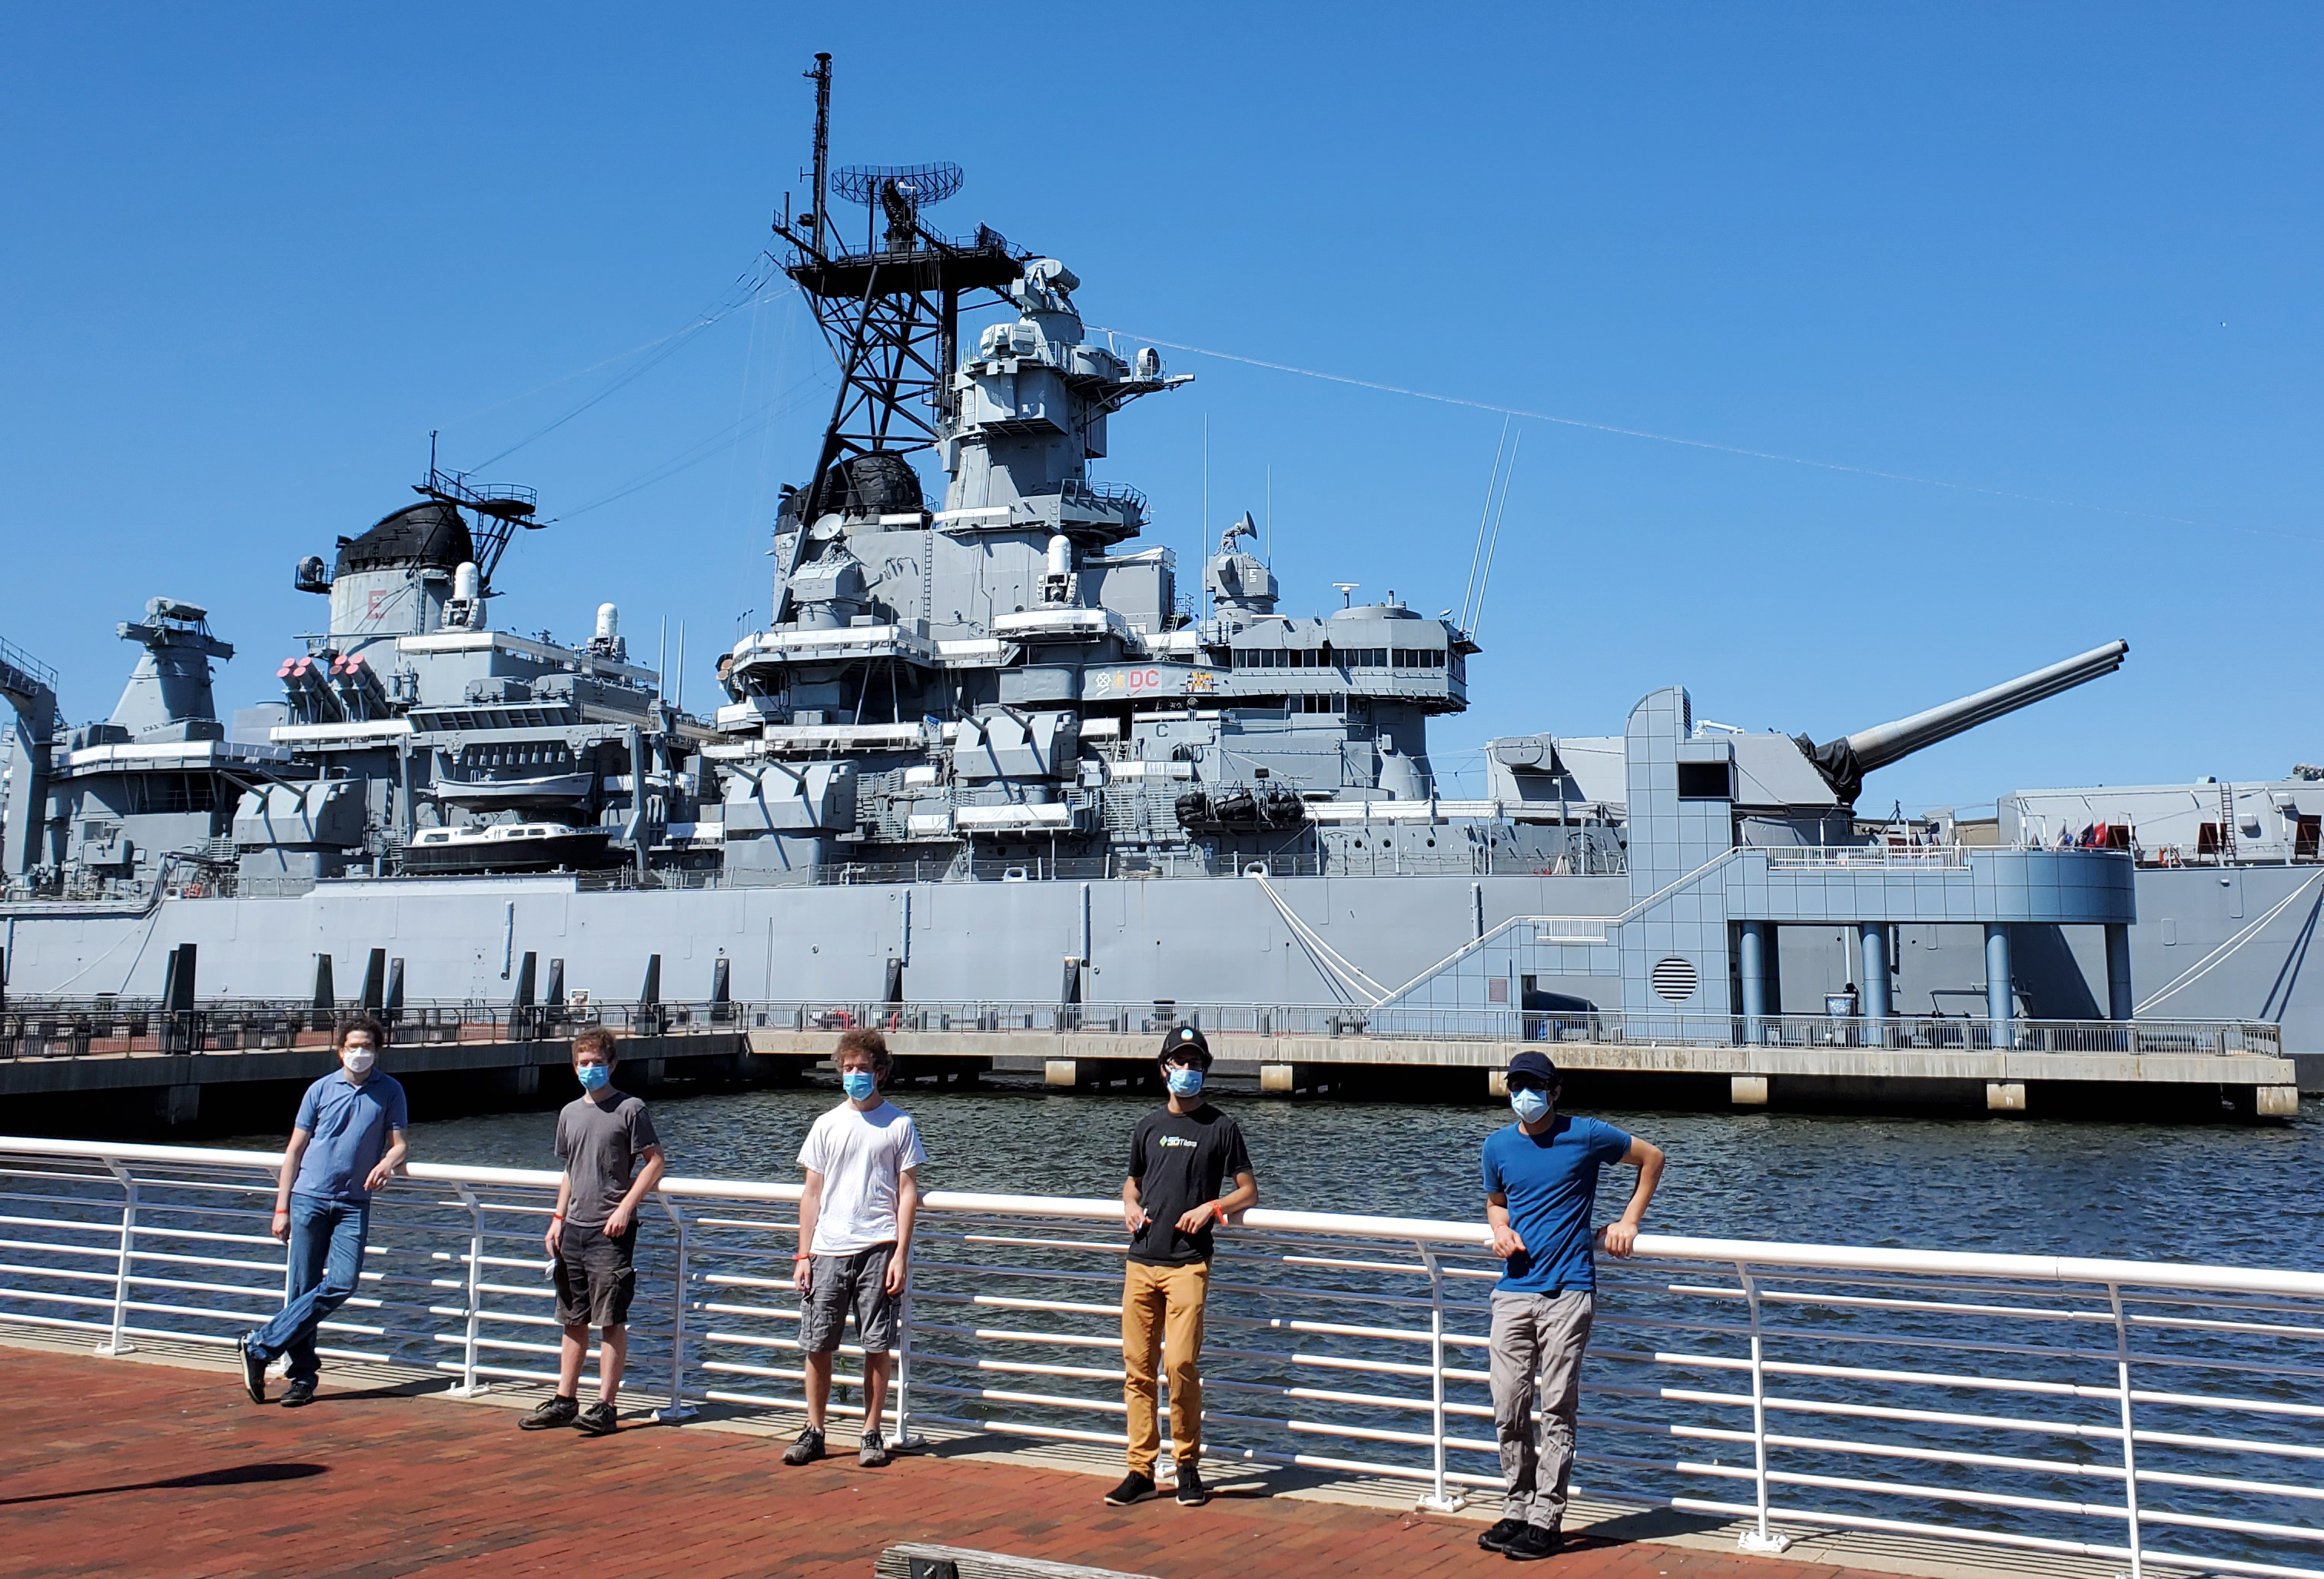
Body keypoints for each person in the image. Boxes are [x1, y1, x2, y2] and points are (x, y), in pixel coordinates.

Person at [1476, 1051, 1665, 1562]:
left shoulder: (1585, 1134)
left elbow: (1652, 1158)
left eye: (1534, 1085)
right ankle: (1517, 1507)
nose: (1524, 1095)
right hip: (1513, 1290)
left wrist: (1629, 1221)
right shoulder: (1496, 1146)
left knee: (1557, 1407)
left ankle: (1546, 1519)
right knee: (1508, 1406)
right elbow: (1496, 1200)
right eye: (1516, 1085)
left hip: (1569, 1289)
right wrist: (1500, 1229)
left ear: (1555, 1091)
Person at [1105, 1026, 1257, 1509]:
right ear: (1164, 1068)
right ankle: (1140, 1469)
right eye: (1180, 1062)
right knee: (1138, 1370)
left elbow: (1248, 1191)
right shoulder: (1147, 1126)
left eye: (1196, 1063)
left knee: (1182, 1364)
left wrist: (1213, 1207)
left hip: (1189, 1263)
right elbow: (1133, 1183)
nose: (1188, 1071)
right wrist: (1128, 1205)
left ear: (1205, 1070)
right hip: (1142, 1258)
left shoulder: (1221, 1127)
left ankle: (1187, 1464)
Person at [240, 1016, 409, 1408]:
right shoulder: (320, 1089)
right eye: (353, 1046)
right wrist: (281, 1207)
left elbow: (401, 1143)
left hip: (354, 1201)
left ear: (377, 1051)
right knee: (301, 1288)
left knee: (343, 1282)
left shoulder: (390, 1091)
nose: (360, 1053)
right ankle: (301, 1377)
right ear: (340, 1050)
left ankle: (259, 1346)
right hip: (308, 1197)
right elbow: (295, 1150)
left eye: (367, 1046)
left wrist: (387, 1162)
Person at [785, 1026, 927, 1469]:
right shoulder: (826, 1124)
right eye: (847, 1069)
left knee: (875, 1344)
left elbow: (907, 1192)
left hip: (878, 1247)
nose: (854, 1076)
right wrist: (803, 1254)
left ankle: (871, 1431)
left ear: (880, 1072)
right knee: (818, 1343)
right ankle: (814, 1430)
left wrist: (901, 1253)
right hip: (828, 1248)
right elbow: (811, 1193)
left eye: (862, 1069)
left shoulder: (900, 1124)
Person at [520, 1026, 665, 1436]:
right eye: (583, 1063)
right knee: (573, 1316)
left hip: (612, 1230)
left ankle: (606, 1405)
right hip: (575, 1228)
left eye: (597, 1063)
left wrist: (625, 1207)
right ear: (574, 1066)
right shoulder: (569, 1113)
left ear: (612, 1064)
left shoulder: (630, 1108)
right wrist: (558, 1216)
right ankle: (565, 1399)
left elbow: (655, 1161)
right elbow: (569, 1169)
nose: (590, 1069)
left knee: (611, 1318)